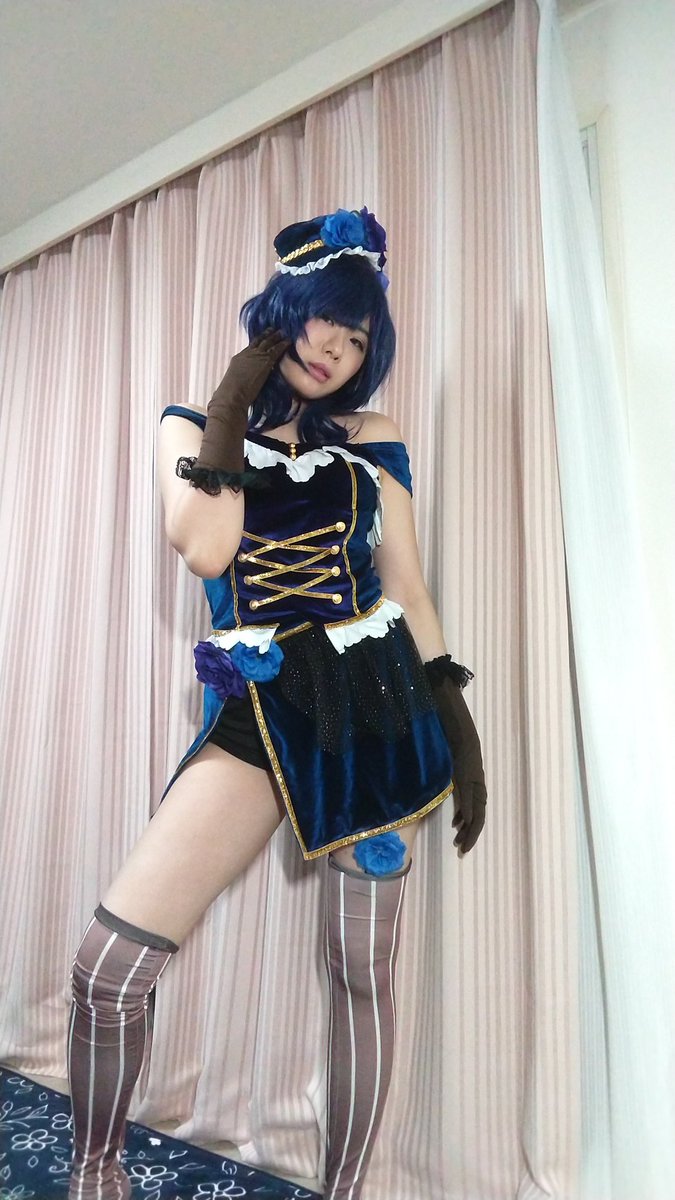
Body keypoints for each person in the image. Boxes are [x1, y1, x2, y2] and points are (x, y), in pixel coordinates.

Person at [67, 206, 487, 1200]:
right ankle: (93, 1173)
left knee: (359, 971)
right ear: (281, 312)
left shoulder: (373, 437)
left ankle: (345, 1191)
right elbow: (208, 548)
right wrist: (235, 397)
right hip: (260, 706)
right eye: (323, 320)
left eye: (358, 339)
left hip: (378, 707)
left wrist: (454, 718)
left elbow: (406, 584)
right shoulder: (189, 425)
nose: (335, 350)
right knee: (107, 972)